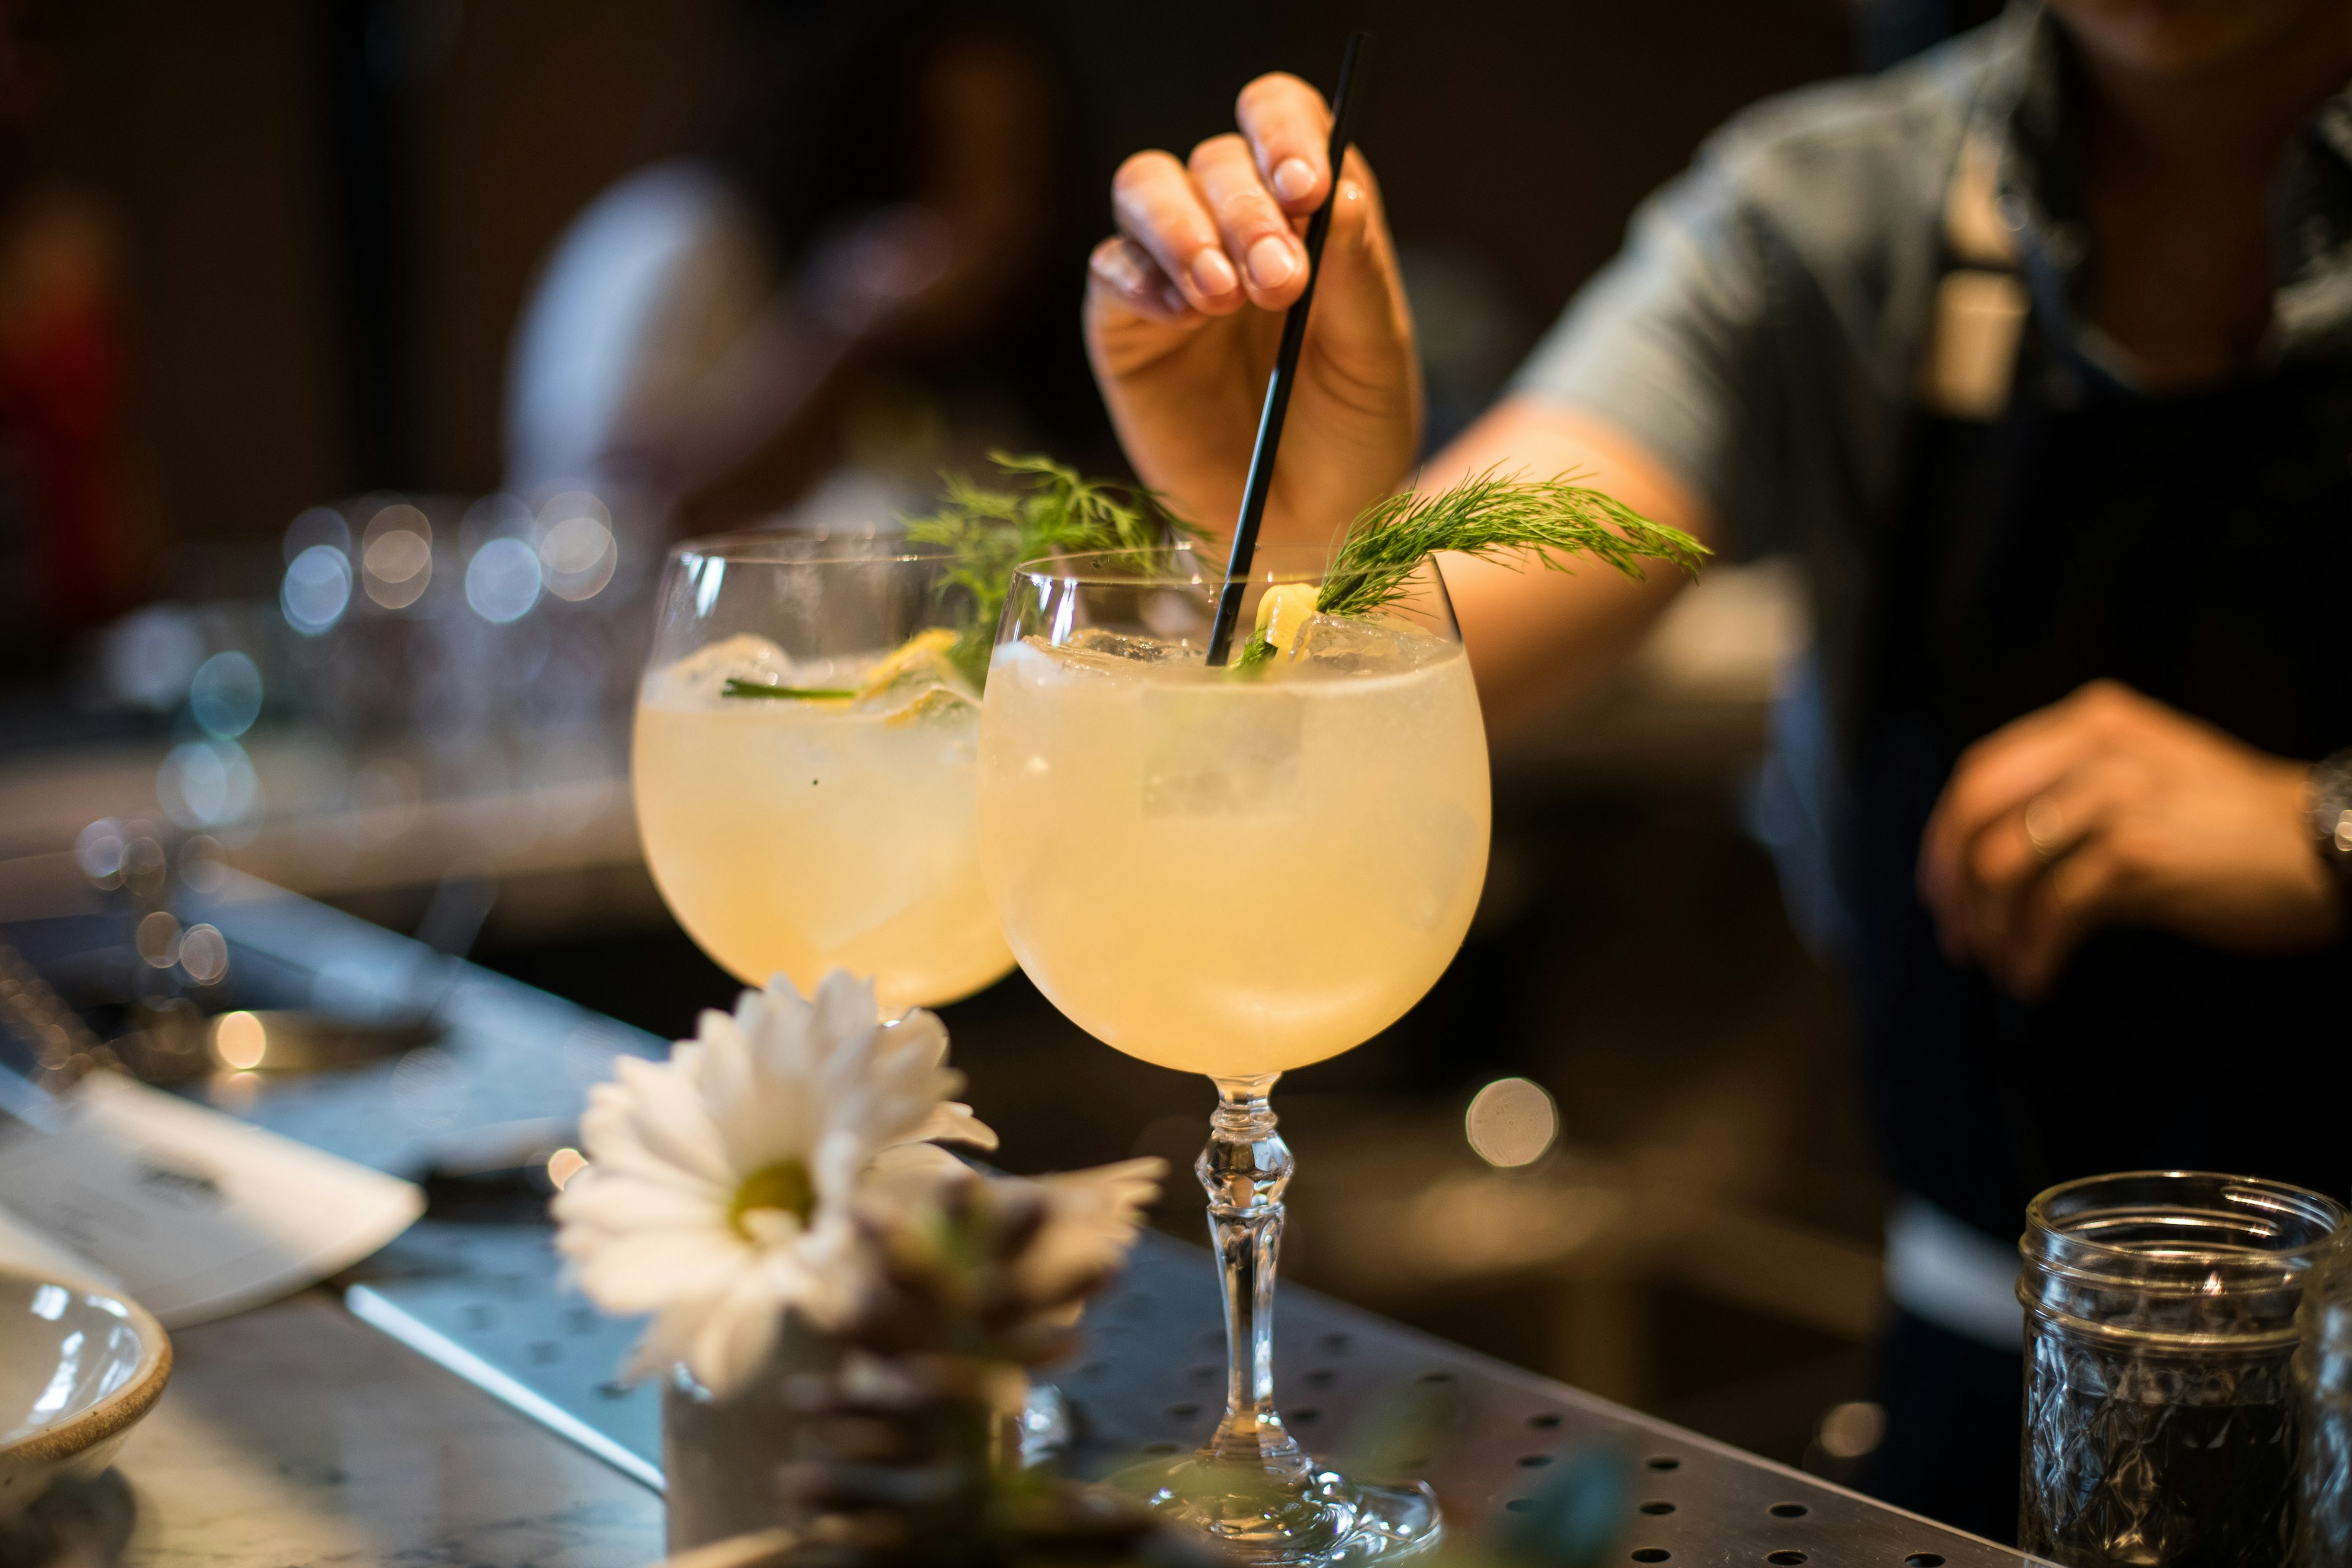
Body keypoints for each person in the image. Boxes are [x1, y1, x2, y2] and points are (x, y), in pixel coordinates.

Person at [1082, 0, 2352, 1539]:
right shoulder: (1832, 204)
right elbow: (1445, 643)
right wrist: (1291, 510)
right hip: (1987, 1368)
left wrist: (2321, 824)